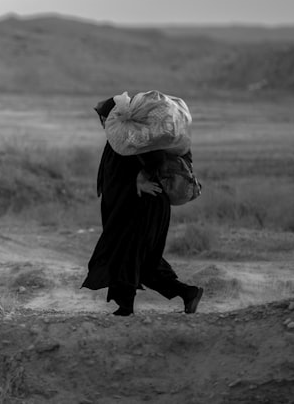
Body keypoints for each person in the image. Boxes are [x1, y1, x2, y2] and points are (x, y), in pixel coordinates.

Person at [81, 95, 204, 316]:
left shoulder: (135, 139)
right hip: (136, 209)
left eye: (103, 118)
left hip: (141, 209)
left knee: (126, 253)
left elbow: (156, 158)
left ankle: (126, 306)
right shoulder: (123, 139)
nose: (102, 123)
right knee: (145, 261)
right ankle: (188, 293)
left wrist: (142, 177)